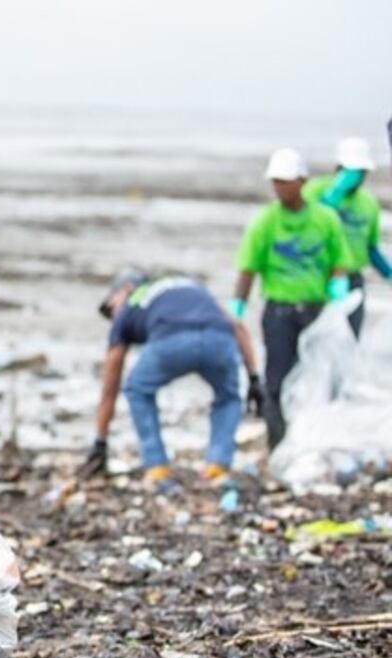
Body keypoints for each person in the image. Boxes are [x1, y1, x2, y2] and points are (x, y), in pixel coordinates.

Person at [79, 273, 259, 490]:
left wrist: (100, 439)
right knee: (229, 397)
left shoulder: (130, 304)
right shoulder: (186, 286)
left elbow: (111, 384)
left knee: (137, 389)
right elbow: (237, 325)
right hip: (219, 337)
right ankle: (218, 465)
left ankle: (157, 467)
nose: (112, 315)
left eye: (110, 307)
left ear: (126, 289)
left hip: (172, 340)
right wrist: (254, 377)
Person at [230, 148, 353, 449]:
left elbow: (340, 260)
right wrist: (238, 307)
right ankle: (278, 444)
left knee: (319, 376)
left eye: (286, 181)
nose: (280, 188)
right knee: (277, 380)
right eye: (276, 182)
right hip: (279, 312)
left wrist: (339, 289)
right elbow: (248, 268)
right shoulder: (266, 222)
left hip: (316, 309)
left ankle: (316, 442)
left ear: (302, 181)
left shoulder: (325, 219)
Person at [302, 137, 387, 335]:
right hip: (318, 277)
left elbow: (371, 248)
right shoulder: (315, 190)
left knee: (349, 340)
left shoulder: (368, 203)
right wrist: (334, 195)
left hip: (353, 281)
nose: (357, 177)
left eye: (361, 172)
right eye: (352, 171)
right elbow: (307, 226)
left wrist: (388, 272)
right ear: (338, 167)